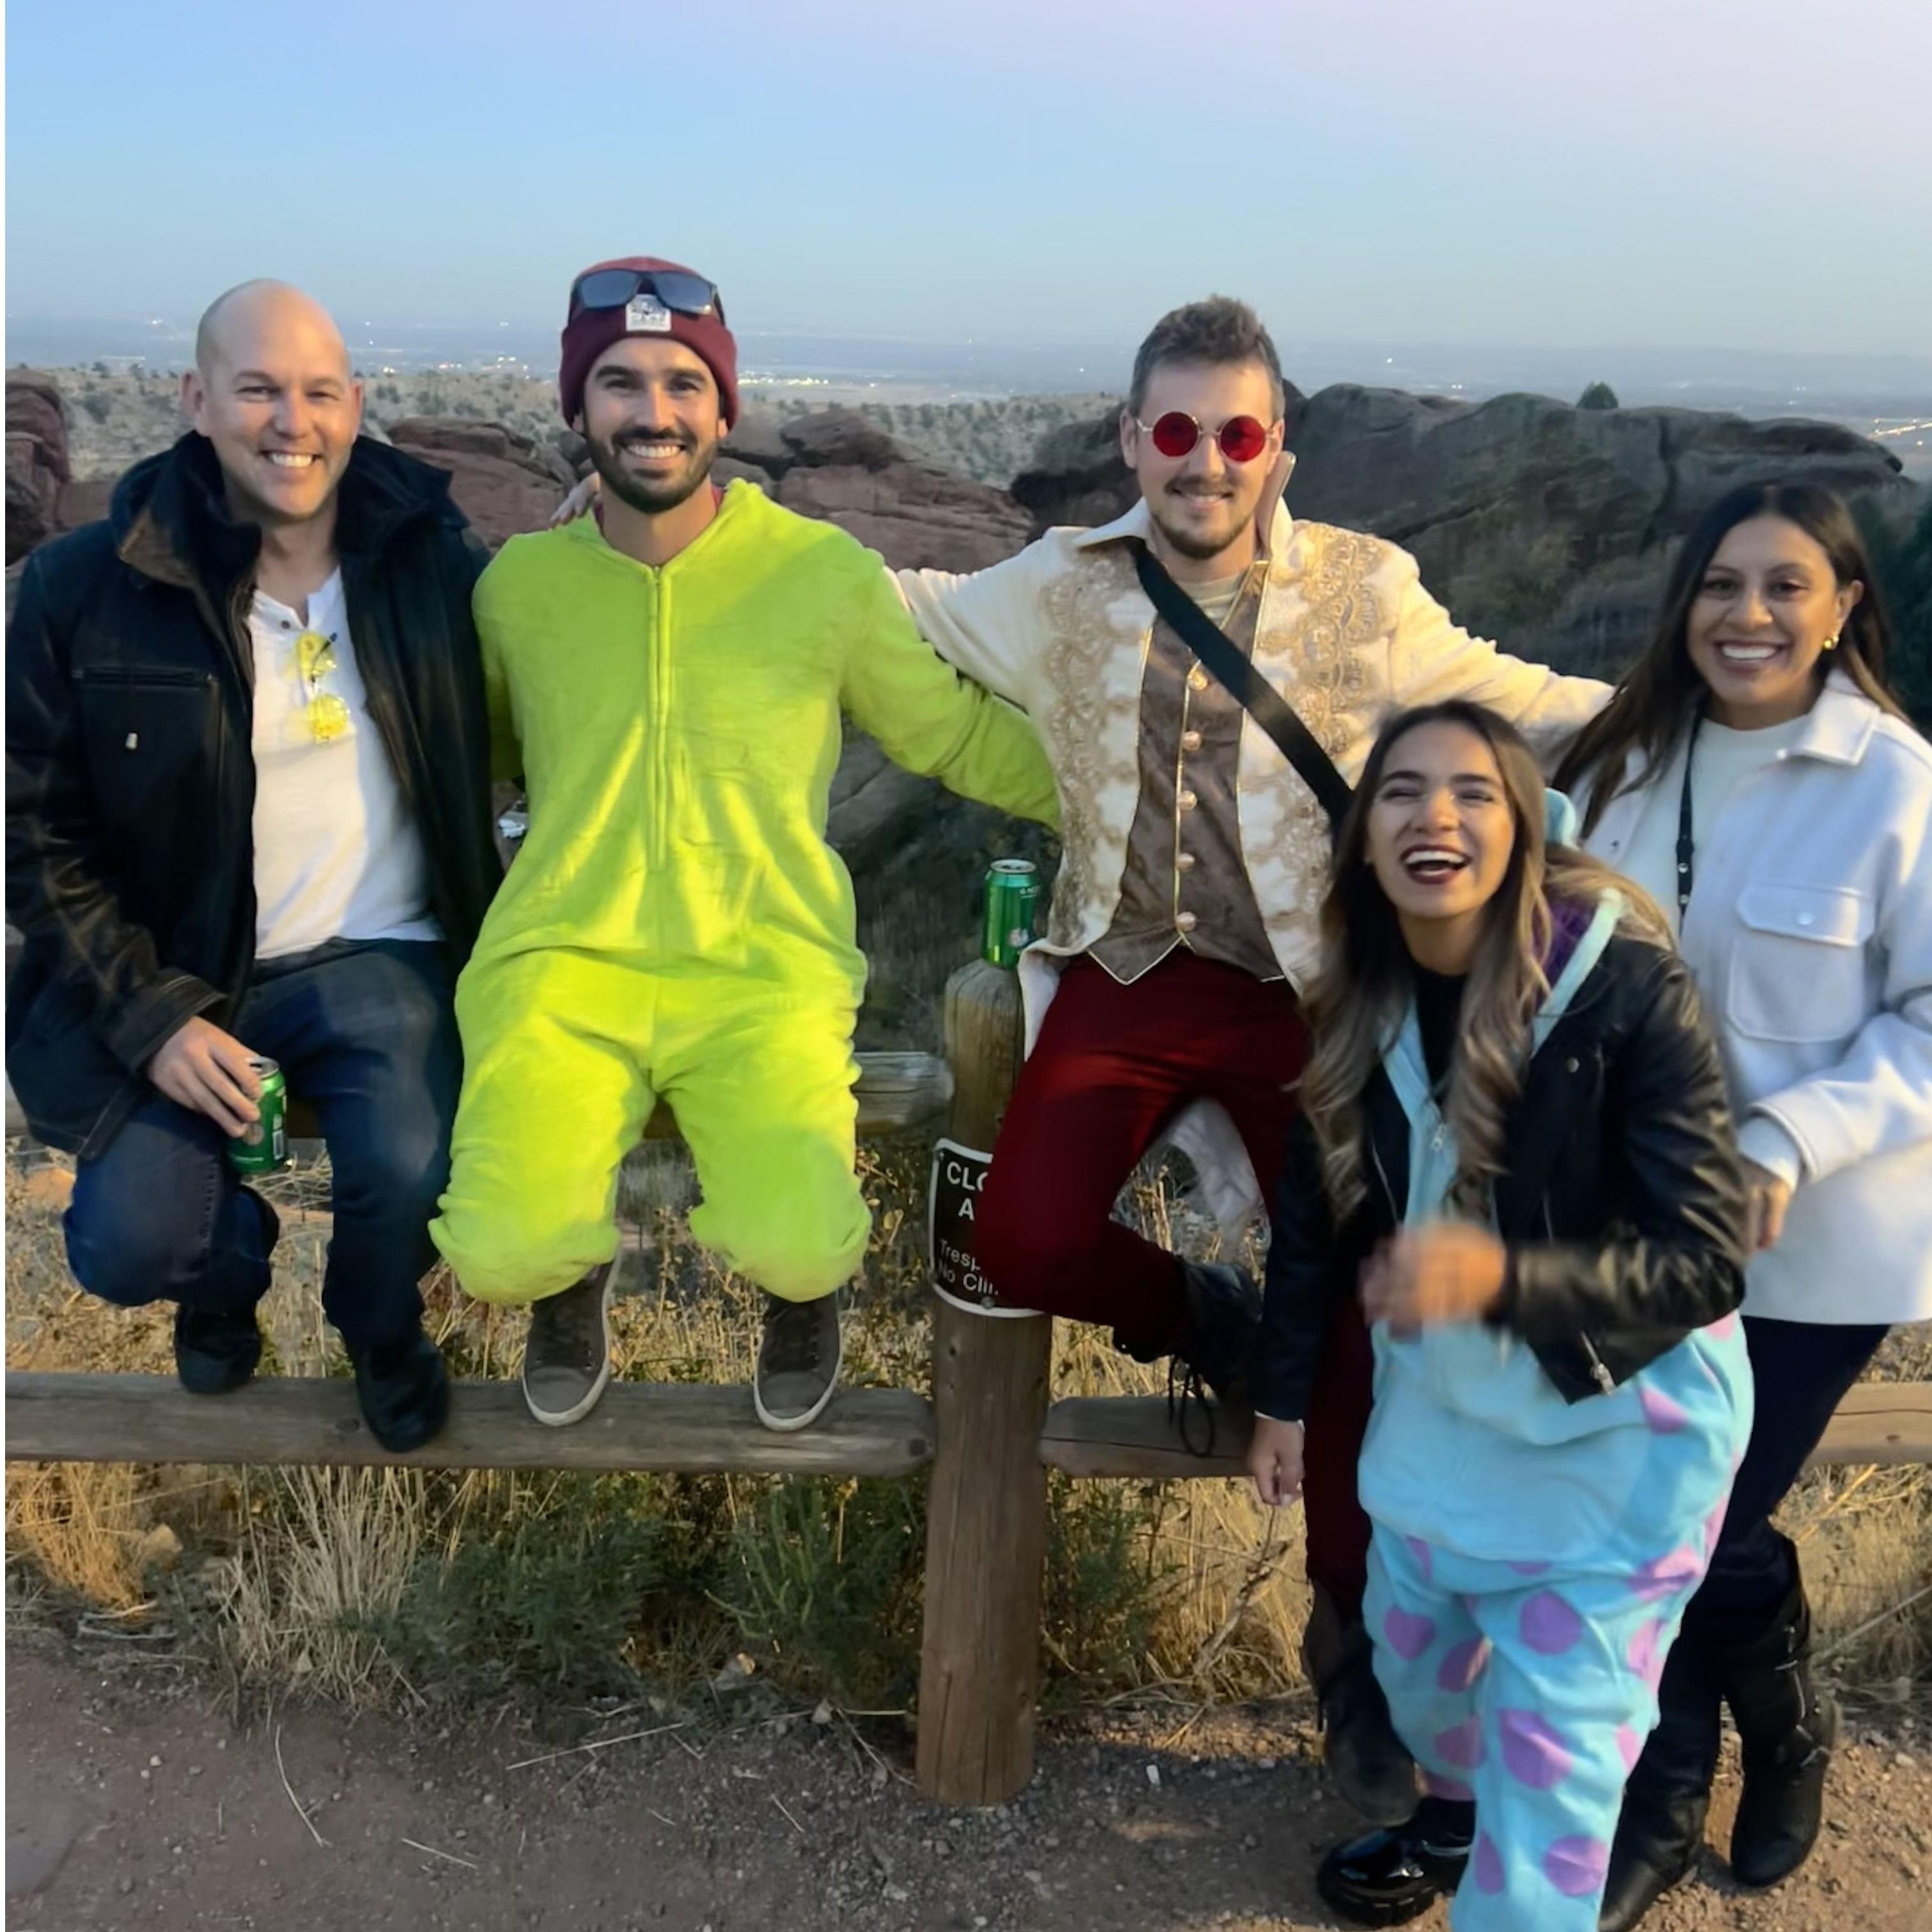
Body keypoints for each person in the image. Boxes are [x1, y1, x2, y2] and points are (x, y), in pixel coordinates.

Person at [890, 297, 1611, 1820]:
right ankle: (1207, 1317)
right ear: (1128, 440)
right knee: (1018, 1232)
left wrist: (1706, 705)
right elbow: (900, 604)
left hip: (1306, 996)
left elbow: (1518, 701)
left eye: (1234, 433)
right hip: (1124, 976)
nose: (1202, 462)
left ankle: (1356, 1672)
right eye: (1173, 431)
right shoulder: (1062, 585)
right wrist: (711, 530)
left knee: (1356, 1328)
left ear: (1279, 446)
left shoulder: (1366, 587)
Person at [428, 257, 1058, 1435]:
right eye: (619, 382)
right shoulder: (520, 588)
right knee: (499, 1252)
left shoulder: (818, 577)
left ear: (725, 409)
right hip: (562, 969)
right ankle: (573, 1275)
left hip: (764, 971)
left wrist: (1113, 803)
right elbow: (469, 757)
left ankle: (799, 1299)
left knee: (802, 1243)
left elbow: (949, 732)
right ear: (577, 409)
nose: (652, 412)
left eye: (682, 383)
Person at [1246, 700, 1752, 1931]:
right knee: (1418, 1680)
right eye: (1404, 791)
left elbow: (1705, 1257)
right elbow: (1318, 1226)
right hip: (1443, 1436)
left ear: (1524, 830)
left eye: (1475, 790)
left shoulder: (1624, 994)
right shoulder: (1352, 1008)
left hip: (1615, 1453)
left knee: (1552, 1799)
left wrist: (1501, 1281)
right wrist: (1279, 1401)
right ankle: (1455, 1804)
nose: (1438, 814)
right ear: (1365, 840)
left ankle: (1519, 1863)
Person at [6, 280, 500, 1452]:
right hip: (178, 960)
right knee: (132, 1246)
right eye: (259, 390)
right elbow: (36, 836)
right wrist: (156, 1020)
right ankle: (225, 1285)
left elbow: (570, 625)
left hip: (377, 953)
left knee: (409, 1169)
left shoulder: (430, 562)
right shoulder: (88, 588)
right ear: (195, 399)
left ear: (355, 404)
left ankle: (378, 1329)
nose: (294, 421)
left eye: (320, 392)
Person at [1552, 482, 1932, 1929]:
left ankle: (1682, 1786)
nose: (1750, 614)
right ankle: (1771, 1730)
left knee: (1695, 1518)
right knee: (1657, 1508)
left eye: (1787, 586)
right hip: (1634, 1233)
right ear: (1684, 605)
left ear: (1844, 608)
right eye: (1722, 584)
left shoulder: (1899, 787)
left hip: (1816, 1245)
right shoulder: (1624, 767)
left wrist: (1783, 1138)